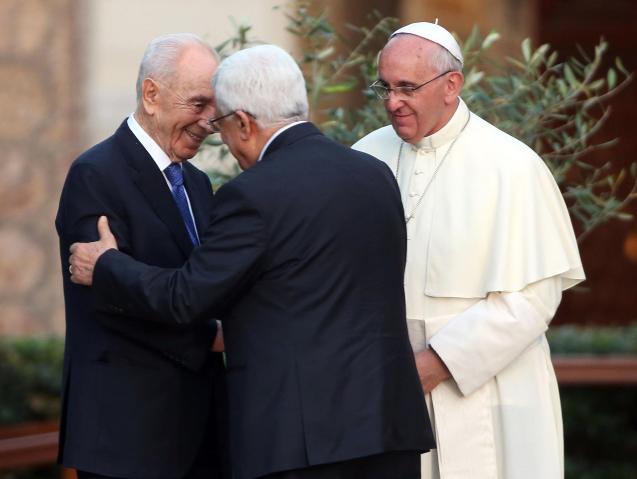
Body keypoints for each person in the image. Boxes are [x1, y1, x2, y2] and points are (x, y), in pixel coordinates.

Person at [67, 44, 435, 479]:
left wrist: (106, 265)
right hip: (388, 429)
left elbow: (187, 296)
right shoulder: (375, 175)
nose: (212, 129)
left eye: (219, 118)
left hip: (299, 441)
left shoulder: (254, 193)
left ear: (243, 122)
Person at [352, 22, 586, 479]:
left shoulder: (512, 166)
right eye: (385, 86)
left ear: (450, 85)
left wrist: (437, 362)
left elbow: (533, 297)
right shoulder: (363, 157)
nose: (392, 102)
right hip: (386, 384)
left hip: (490, 386)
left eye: (407, 88)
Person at [55, 33, 229, 479]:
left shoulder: (196, 184)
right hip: (126, 436)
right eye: (198, 104)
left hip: (198, 432)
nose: (210, 121)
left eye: (215, 106)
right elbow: (110, 301)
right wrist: (209, 337)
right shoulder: (96, 174)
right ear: (151, 95)